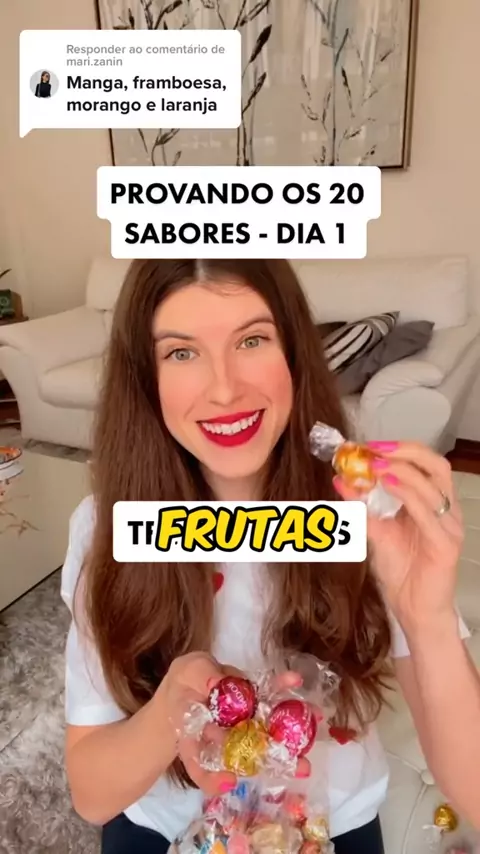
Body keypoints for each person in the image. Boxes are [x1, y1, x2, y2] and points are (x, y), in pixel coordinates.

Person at [62, 259, 480, 854]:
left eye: (252, 340)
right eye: (181, 352)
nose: (225, 388)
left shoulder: (368, 514)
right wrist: (168, 712)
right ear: (145, 378)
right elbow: (92, 793)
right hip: (164, 827)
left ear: (293, 353)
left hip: (326, 829)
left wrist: (428, 616)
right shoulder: (107, 529)